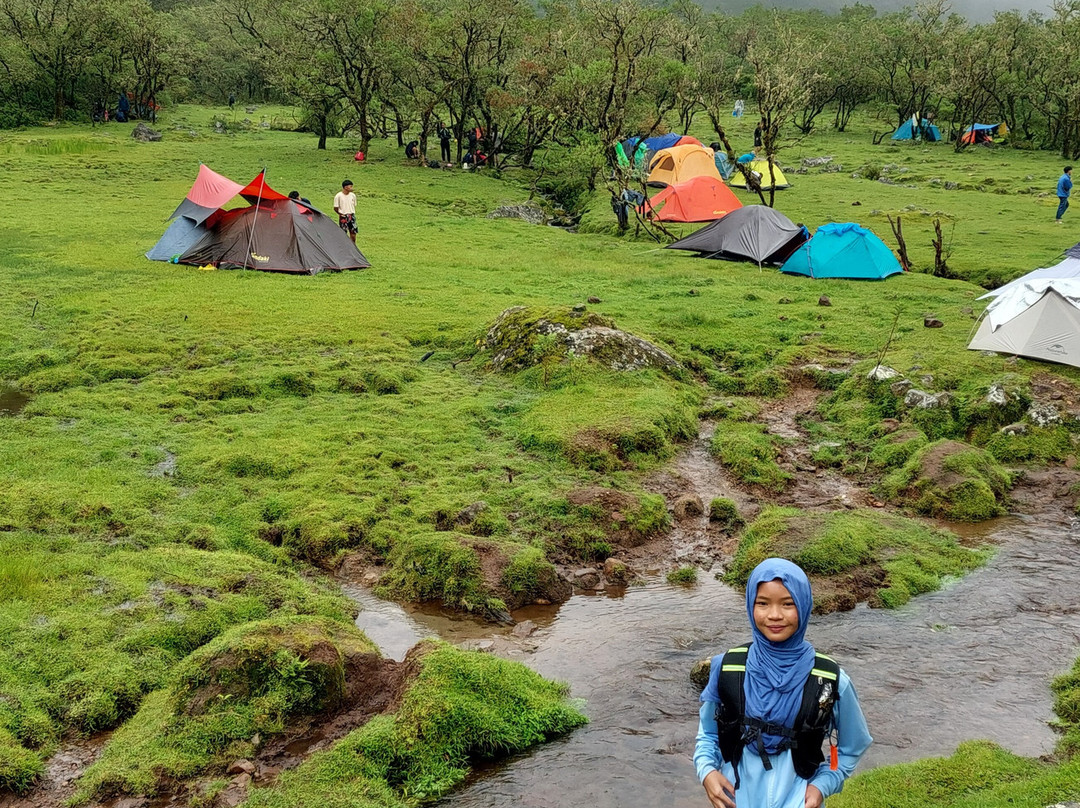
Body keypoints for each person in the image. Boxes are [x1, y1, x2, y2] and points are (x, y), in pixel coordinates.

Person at [695, 558, 872, 808]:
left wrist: (823, 785)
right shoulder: (727, 668)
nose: (775, 615)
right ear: (750, 604)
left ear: (804, 604)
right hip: (736, 799)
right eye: (763, 603)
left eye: (788, 604)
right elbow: (707, 734)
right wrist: (707, 772)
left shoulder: (830, 679)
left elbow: (853, 745)